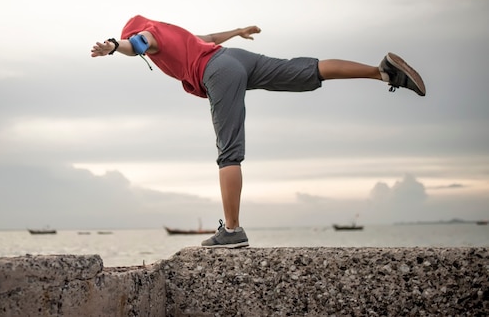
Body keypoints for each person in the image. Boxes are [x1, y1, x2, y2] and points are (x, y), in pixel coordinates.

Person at [91, 15, 425, 248]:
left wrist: (111, 45)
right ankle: (382, 73)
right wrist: (237, 30)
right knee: (303, 69)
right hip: (233, 56)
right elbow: (205, 39)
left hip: (217, 70)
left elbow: (136, 42)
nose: (145, 51)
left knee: (229, 152)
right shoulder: (171, 32)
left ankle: (232, 231)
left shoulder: (149, 36)